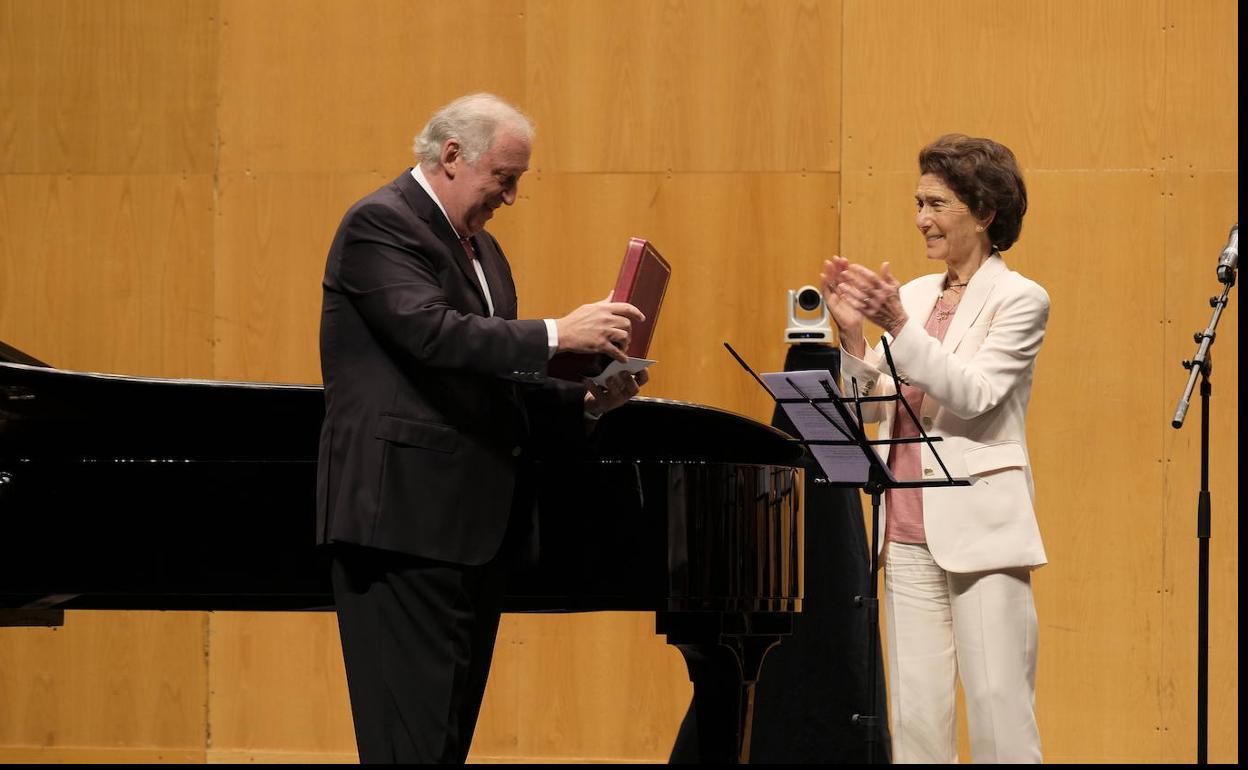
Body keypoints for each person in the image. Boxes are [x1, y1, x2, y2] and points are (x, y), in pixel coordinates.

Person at [316, 93, 647, 764]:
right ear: (451, 157)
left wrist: (585, 401)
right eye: (505, 177)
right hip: (403, 526)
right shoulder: (380, 224)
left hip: (471, 529)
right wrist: (559, 332)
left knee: (443, 742)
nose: (511, 196)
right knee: (408, 743)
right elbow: (432, 334)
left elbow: (494, 382)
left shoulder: (485, 253)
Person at [820, 134, 1049, 763]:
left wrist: (896, 325)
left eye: (937, 204)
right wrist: (852, 337)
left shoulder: (1020, 299)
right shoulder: (917, 295)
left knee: (1000, 712)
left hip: (981, 530)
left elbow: (974, 394)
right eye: (918, 202)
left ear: (984, 212)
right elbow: (877, 411)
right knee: (917, 719)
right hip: (908, 529)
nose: (921, 218)